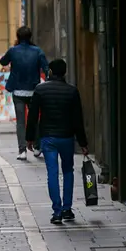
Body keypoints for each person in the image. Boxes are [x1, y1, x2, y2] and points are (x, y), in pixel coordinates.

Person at [25, 59, 88, 225]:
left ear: (50, 72)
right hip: (67, 137)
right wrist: (83, 142)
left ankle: (57, 211)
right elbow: (78, 119)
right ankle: (67, 209)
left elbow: (32, 117)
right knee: (68, 171)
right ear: (65, 72)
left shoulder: (40, 90)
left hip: (48, 137)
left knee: (52, 173)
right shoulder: (72, 91)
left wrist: (29, 138)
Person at [0, 26, 49, 160]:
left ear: (18, 37)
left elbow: (2, 61)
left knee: (21, 122)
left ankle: (22, 150)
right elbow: (47, 68)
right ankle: (38, 147)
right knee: (35, 120)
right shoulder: (38, 51)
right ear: (30, 36)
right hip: (34, 90)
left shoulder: (13, 51)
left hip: (18, 90)